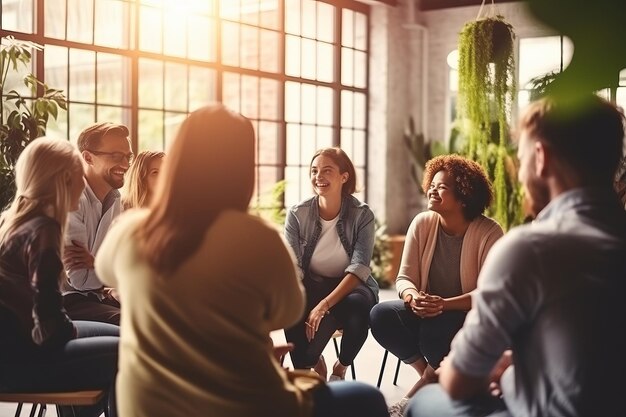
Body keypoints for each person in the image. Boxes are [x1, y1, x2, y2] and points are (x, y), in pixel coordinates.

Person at [95, 104, 389, 417]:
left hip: (148, 409)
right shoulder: (258, 238)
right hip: (240, 405)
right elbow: (285, 310)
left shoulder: (131, 230)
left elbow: (106, 272)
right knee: (365, 399)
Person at [407, 94, 626, 417]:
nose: (520, 177)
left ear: (541, 158)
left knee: (425, 402)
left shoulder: (531, 248)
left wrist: (507, 374)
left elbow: (457, 380)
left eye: (521, 161)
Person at [370, 154, 504, 417]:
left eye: (441, 186)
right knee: (381, 315)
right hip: (426, 310)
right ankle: (432, 380)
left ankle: (413, 397)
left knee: (435, 332)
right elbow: (404, 278)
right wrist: (412, 298)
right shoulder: (422, 223)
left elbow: (490, 295)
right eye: (432, 183)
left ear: (464, 195)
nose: (432, 189)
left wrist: (444, 304)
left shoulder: (490, 233)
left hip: (466, 317)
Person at [0, 137, 119, 417]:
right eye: (80, 175)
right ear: (65, 179)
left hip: (16, 347)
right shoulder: (45, 230)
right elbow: (51, 325)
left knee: (121, 337)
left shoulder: (14, 220)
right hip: (23, 360)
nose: (84, 183)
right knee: (130, 349)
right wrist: (76, 336)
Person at [283, 147, 379, 382]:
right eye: (314, 171)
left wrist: (324, 305)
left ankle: (340, 369)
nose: (318, 177)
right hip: (312, 283)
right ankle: (310, 366)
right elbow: (294, 268)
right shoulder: (297, 214)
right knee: (292, 308)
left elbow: (359, 267)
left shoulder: (362, 215)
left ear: (343, 177)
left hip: (351, 286)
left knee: (359, 308)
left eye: (327, 171)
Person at [62, 122, 132, 325]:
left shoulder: (115, 199)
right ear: (87, 157)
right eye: (116, 156)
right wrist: (107, 267)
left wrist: (95, 263)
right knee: (136, 322)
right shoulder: (72, 199)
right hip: (67, 301)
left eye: (127, 156)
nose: (125, 165)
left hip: (98, 297)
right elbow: (80, 280)